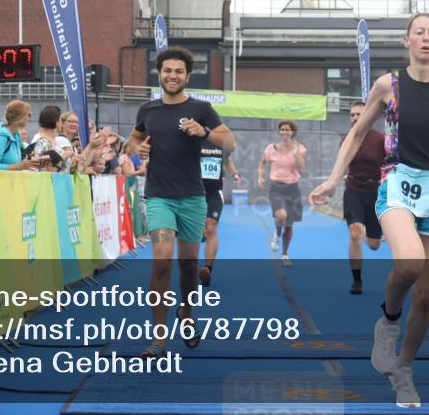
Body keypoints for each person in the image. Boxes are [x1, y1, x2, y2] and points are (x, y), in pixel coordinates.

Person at [310, 13, 429, 408]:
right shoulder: (388, 85)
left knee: (427, 297)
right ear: (406, 41)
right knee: (409, 264)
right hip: (397, 183)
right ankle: (389, 321)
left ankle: (404, 371)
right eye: (419, 33)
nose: (426, 39)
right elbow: (358, 134)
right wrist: (331, 178)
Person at [126, 46, 235, 359]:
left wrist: (204, 132)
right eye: (167, 71)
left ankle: (186, 311)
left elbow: (230, 142)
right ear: (159, 73)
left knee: (188, 265)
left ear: (187, 76)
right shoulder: (148, 111)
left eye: (178, 71)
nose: (172, 76)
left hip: (192, 198)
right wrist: (138, 150)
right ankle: (158, 340)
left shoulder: (201, 109)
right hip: (159, 196)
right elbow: (132, 139)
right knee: (161, 261)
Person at [343, 100, 385, 295]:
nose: (355, 118)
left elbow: (390, 166)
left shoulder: (380, 139)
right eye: (352, 115)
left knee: (374, 245)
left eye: (359, 114)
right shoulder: (347, 139)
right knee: (354, 234)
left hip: (375, 193)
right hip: (353, 191)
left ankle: (374, 235)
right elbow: (341, 164)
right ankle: (356, 281)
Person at [259, 121, 306, 266]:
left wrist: (297, 154)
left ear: (292, 132)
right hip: (276, 187)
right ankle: (277, 235)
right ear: (279, 132)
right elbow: (262, 163)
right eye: (282, 130)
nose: (285, 132)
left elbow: (302, 169)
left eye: (288, 130)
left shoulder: (300, 149)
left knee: (290, 225)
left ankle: (285, 254)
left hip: (293, 188)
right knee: (281, 215)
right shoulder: (271, 149)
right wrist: (260, 176)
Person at [198, 141, 242, 286]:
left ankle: (207, 268)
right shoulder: (191, 140)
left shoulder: (220, 141)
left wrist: (234, 174)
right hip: (193, 191)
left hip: (213, 192)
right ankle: (189, 269)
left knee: (211, 227)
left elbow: (227, 159)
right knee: (196, 233)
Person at [0, 100, 41, 171]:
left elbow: (19, 162)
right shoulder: (1, 138)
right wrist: (19, 166)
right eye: (28, 115)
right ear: (20, 117)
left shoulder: (15, 136)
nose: (29, 118)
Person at [31, 105, 74, 171]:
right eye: (60, 121)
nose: (61, 125)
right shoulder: (43, 142)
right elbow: (44, 170)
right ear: (56, 123)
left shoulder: (54, 143)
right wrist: (64, 157)